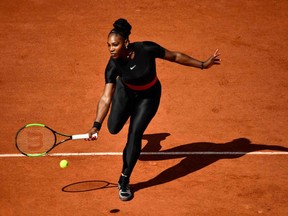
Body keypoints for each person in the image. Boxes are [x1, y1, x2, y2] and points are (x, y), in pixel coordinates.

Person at [86, 18, 221, 201]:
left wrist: (203, 65)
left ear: (126, 42)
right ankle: (136, 122)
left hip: (149, 97)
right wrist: (96, 125)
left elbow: (175, 56)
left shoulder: (146, 49)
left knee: (134, 134)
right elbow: (105, 97)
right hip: (125, 94)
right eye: (108, 45)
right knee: (114, 128)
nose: (110, 49)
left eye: (115, 45)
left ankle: (124, 180)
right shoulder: (112, 66)